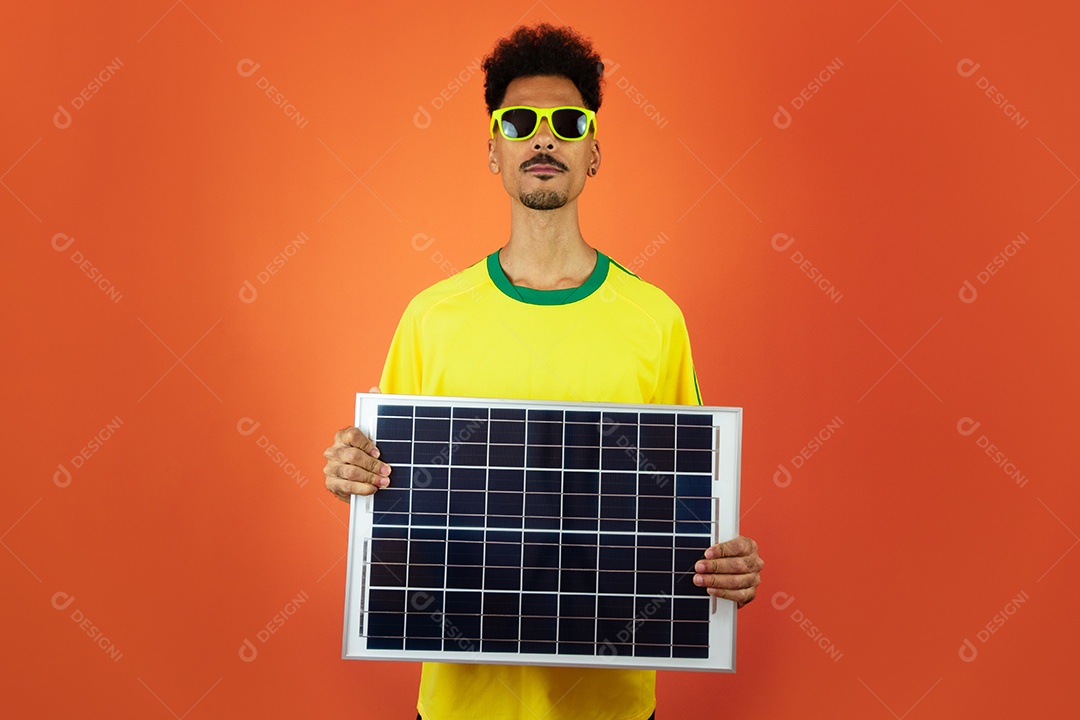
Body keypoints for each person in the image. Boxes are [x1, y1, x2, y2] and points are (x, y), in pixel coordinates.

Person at [323, 23, 763, 720]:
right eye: (519, 121)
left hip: (609, 705)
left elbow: (691, 511)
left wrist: (729, 567)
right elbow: (391, 501)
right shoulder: (431, 317)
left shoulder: (654, 320)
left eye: (568, 121)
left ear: (595, 152)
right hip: (462, 704)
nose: (544, 137)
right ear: (493, 150)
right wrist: (351, 477)